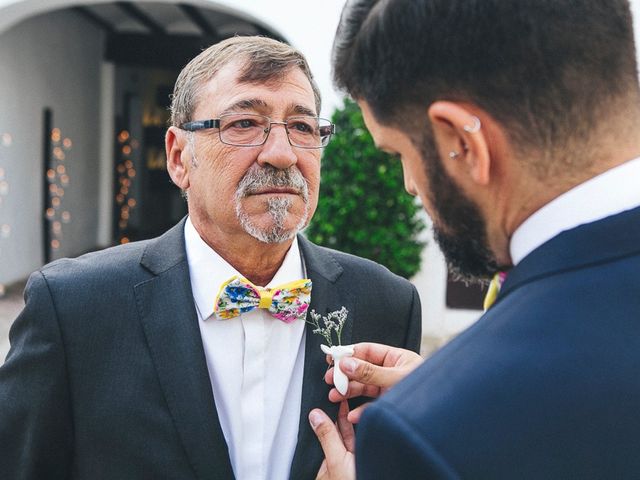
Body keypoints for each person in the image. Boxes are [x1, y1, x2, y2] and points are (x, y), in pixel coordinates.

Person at [0, 36, 422, 479]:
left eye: (302, 127)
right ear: (179, 157)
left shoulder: (387, 305)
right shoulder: (75, 308)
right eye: (243, 123)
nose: (283, 154)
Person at [309, 0, 640, 478]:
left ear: (462, 143)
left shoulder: (423, 438)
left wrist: (444, 408)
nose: (408, 184)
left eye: (400, 152)